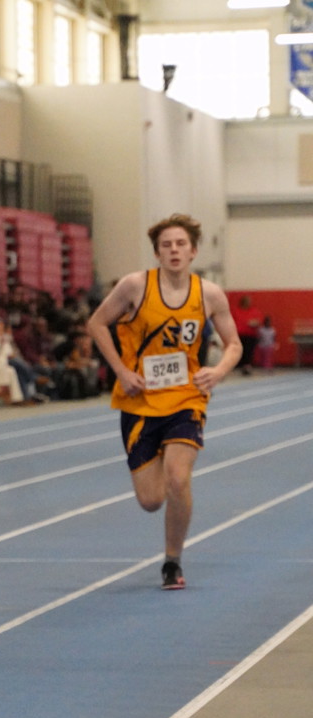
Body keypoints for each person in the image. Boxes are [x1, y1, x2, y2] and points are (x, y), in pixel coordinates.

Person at [87, 213, 242, 591]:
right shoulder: (135, 286)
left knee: (177, 477)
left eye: (180, 244)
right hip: (139, 399)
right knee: (151, 500)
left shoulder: (209, 294)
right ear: (157, 252)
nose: (174, 250)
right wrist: (121, 372)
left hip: (186, 397)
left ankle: (172, 561)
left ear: (193, 251)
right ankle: (166, 531)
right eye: (166, 245)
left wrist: (217, 371)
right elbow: (96, 323)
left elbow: (234, 345)